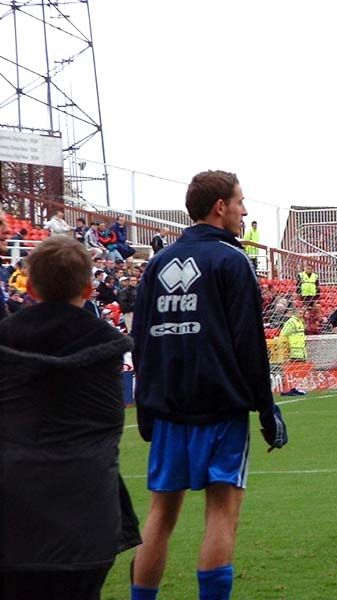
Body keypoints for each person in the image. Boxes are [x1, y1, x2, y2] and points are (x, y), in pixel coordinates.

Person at [130, 170, 287, 600]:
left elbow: (141, 340)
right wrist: (265, 409)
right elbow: (250, 344)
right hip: (220, 409)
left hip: (167, 409)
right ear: (220, 207)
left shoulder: (159, 263)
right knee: (222, 513)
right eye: (240, 202)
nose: (245, 210)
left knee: (160, 515)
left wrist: (146, 406)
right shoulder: (232, 261)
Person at [0, 236, 140, 600]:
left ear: (29, 286)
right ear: (90, 288)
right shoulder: (106, 352)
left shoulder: (7, 346)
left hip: (12, 521)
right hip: (89, 521)